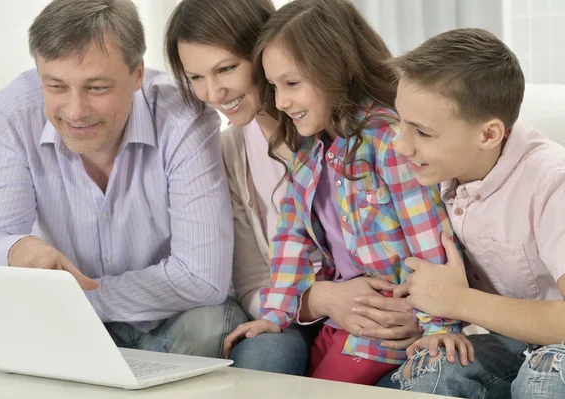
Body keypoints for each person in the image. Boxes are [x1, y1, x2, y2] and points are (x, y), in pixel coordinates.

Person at [0, 0, 243, 359]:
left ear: (137, 74)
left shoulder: (183, 116)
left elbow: (202, 279)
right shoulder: (14, 113)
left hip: (171, 319)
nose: (75, 110)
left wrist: (78, 298)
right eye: (56, 86)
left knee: (209, 324)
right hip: (66, 321)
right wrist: (15, 249)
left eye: (97, 88)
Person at [165, 0, 426, 376]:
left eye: (226, 69)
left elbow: (433, 232)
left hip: (388, 305)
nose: (213, 93)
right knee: (265, 358)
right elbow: (256, 275)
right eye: (195, 77)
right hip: (299, 310)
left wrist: (430, 312)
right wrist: (317, 300)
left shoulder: (371, 134)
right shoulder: (232, 150)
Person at [224, 0, 467, 385]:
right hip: (339, 320)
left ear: (334, 70)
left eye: (292, 84)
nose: (281, 101)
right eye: (273, 86)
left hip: (385, 323)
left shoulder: (389, 140)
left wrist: (439, 325)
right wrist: (274, 316)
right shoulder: (307, 151)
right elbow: (292, 237)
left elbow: (429, 239)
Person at [380, 28, 565, 398]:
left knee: (541, 380)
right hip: (508, 343)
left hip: (555, 347)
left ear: (488, 134)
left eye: (422, 132)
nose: (400, 144)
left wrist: (457, 300)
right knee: (429, 369)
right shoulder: (433, 171)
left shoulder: (552, 182)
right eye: (402, 122)